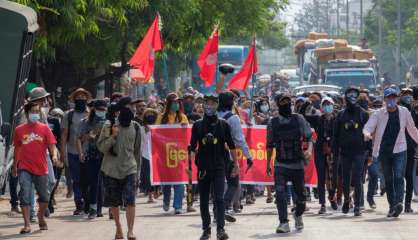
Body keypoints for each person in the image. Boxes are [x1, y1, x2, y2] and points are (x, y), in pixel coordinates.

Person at [363, 87, 418, 218]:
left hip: (400, 149)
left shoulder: (404, 112)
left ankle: (399, 203)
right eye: (389, 98)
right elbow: (368, 127)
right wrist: (367, 134)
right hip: (384, 151)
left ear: (397, 99)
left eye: (394, 97)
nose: (391, 100)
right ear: (385, 99)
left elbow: (412, 129)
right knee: (388, 179)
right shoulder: (378, 113)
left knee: (399, 176)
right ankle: (392, 207)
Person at [190, 95, 238, 240]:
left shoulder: (224, 124)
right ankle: (206, 230)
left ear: (217, 105)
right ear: (203, 105)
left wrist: (236, 164)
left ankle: (221, 230)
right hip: (203, 168)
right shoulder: (197, 125)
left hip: (219, 167)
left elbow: (232, 146)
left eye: (213, 103)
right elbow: (192, 147)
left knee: (219, 199)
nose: (210, 106)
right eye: (207, 103)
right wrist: (190, 165)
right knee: (204, 200)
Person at [266, 95, 313, 233]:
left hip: (297, 164)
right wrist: (268, 163)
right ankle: (283, 222)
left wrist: (309, 150)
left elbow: (309, 137)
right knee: (280, 193)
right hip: (280, 164)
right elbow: (269, 145)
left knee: (302, 198)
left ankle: (298, 215)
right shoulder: (272, 122)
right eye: (282, 102)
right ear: (278, 105)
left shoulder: (299, 119)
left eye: (288, 102)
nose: (286, 105)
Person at [97, 97, 142, 240]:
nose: (132, 109)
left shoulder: (136, 127)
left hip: (130, 168)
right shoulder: (109, 126)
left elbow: (137, 152)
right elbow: (102, 147)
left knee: (130, 200)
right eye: (129, 106)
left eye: (133, 107)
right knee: (114, 202)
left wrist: (138, 172)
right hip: (111, 169)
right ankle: (118, 227)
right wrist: (113, 136)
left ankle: (130, 231)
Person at [12, 102, 59, 234]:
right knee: (25, 195)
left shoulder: (44, 128)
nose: (35, 114)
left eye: (37, 111)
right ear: (27, 113)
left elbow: (52, 145)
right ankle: (27, 224)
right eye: (33, 111)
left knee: (44, 197)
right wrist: (15, 166)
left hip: (41, 167)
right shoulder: (19, 130)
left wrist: (54, 156)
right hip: (24, 167)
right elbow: (17, 148)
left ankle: (40, 216)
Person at [333, 87, 369, 216]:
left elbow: (368, 133)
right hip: (345, 152)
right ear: (346, 97)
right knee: (345, 179)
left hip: (360, 151)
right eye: (350, 94)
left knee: (357, 178)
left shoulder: (363, 114)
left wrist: (369, 153)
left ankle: (358, 205)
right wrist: (335, 152)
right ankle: (347, 200)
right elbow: (335, 135)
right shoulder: (341, 114)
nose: (352, 96)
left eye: (355, 94)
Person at [217, 91, 253, 217]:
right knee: (233, 182)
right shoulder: (233, 118)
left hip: (211, 154)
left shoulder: (212, 116)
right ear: (231, 102)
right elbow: (240, 139)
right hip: (228, 154)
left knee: (217, 184)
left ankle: (218, 209)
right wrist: (248, 156)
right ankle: (224, 207)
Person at [156, 93, 191, 214]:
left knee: (180, 181)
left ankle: (178, 206)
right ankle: (166, 200)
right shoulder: (161, 118)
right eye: (174, 102)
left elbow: (186, 136)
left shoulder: (183, 117)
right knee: (166, 182)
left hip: (178, 154)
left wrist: (184, 128)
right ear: (168, 104)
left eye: (178, 102)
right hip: (164, 155)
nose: (176, 104)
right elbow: (155, 134)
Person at [61, 88, 91, 215]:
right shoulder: (68, 115)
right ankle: (79, 203)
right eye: (78, 97)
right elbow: (63, 136)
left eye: (83, 97)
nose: (81, 99)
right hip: (73, 152)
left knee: (88, 179)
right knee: (76, 179)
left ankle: (89, 203)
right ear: (74, 99)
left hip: (89, 152)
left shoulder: (91, 114)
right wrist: (63, 154)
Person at [77, 99, 108, 219]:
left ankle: (105, 207)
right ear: (94, 109)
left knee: (105, 182)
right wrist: (89, 136)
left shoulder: (109, 122)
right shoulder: (86, 122)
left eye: (104, 110)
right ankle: (94, 208)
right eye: (99, 109)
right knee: (94, 182)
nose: (102, 112)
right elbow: (80, 138)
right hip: (92, 155)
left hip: (107, 155)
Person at [315, 97, 338, 214]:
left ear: (333, 106)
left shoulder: (337, 119)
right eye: (325, 105)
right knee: (321, 177)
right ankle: (322, 204)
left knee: (333, 177)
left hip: (333, 150)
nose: (327, 106)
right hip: (320, 150)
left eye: (329, 104)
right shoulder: (318, 119)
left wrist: (332, 147)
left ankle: (332, 197)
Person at [398, 88, 415, 213]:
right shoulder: (396, 111)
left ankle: (407, 204)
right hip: (396, 149)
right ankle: (396, 202)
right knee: (397, 177)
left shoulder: (415, 111)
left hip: (410, 148)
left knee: (409, 176)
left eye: (410, 94)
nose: (408, 96)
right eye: (405, 94)